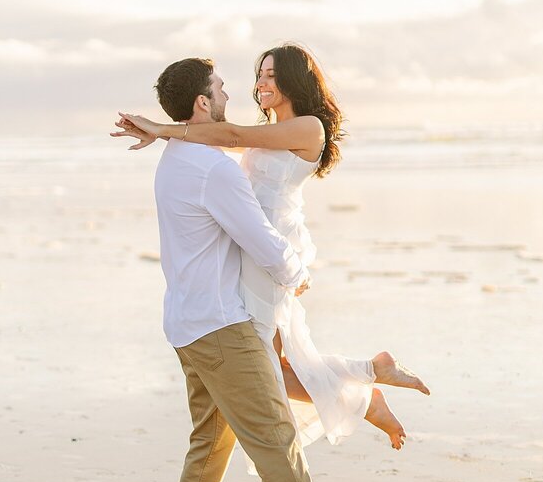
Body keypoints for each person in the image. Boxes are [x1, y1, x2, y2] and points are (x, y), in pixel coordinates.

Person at [113, 43, 429, 457]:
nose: (261, 83)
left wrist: (160, 128)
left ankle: (367, 391)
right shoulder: (268, 129)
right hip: (255, 243)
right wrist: (163, 132)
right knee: (274, 364)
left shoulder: (308, 127)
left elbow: (229, 135)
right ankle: (371, 377)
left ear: (294, 81)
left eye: (272, 75)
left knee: (265, 366)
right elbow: (214, 136)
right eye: (260, 74)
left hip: (272, 245)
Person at [127, 56, 366, 482]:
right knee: (277, 440)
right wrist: (298, 274)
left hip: (186, 321)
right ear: (202, 103)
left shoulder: (176, 157)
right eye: (220, 87)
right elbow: (260, 239)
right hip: (222, 326)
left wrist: (161, 129)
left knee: (212, 438)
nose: (231, 93)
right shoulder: (213, 170)